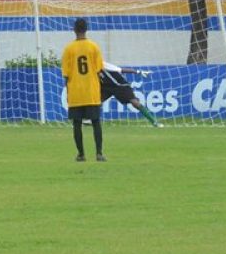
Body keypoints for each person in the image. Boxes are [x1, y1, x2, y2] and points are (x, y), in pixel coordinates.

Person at [62, 18, 105, 162]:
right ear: (86, 29)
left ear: (74, 30)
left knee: (77, 123)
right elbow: (99, 71)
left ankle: (81, 154)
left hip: (75, 92)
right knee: (96, 122)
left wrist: (68, 92)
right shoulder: (94, 47)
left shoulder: (68, 49)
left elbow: (66, 74)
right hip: (91, 90)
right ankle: (99, 153)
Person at [99, 61, 160, 127]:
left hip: (120, 85)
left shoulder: (102, 64)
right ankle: (89, 119)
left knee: (135, 102)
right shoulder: (90, 68)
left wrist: (138, 72)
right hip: (106, 87)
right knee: (95, 102)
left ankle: (154, 121)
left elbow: (121, 70)